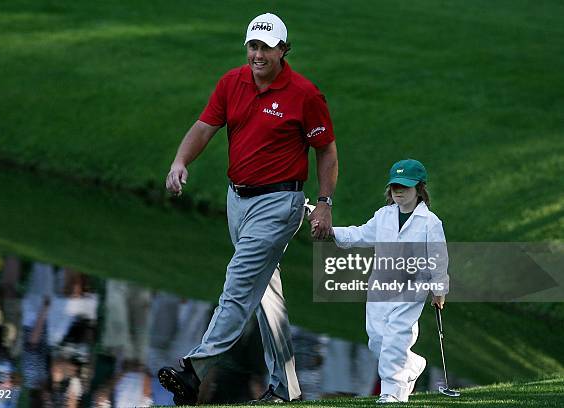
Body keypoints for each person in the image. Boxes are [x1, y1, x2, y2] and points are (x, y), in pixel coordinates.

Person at [160, 12, 338, 405]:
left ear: (283, 50)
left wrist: (324, 203)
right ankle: (285, 387)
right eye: (253, 47)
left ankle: (195, 371)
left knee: (238, 285)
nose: (258, 55)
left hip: (280, 202)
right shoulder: (231, 82)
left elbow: (326, 150)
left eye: (266, 48)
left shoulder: (304, 94)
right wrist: (180, 161)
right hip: (237, 200)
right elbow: (205, 126)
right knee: (264, 294)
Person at [317, 159, 449, 404]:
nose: (398, 191)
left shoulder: (430, 223)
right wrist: (332, 231)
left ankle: (392, 394)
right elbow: (360, 234)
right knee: (377, 340)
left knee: (395, 339)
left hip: (412, 289)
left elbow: (439, 259)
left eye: (405, 187)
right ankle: (412, 364)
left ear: (419, 189)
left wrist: (439, 290)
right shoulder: (383, 215)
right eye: (395, 186)